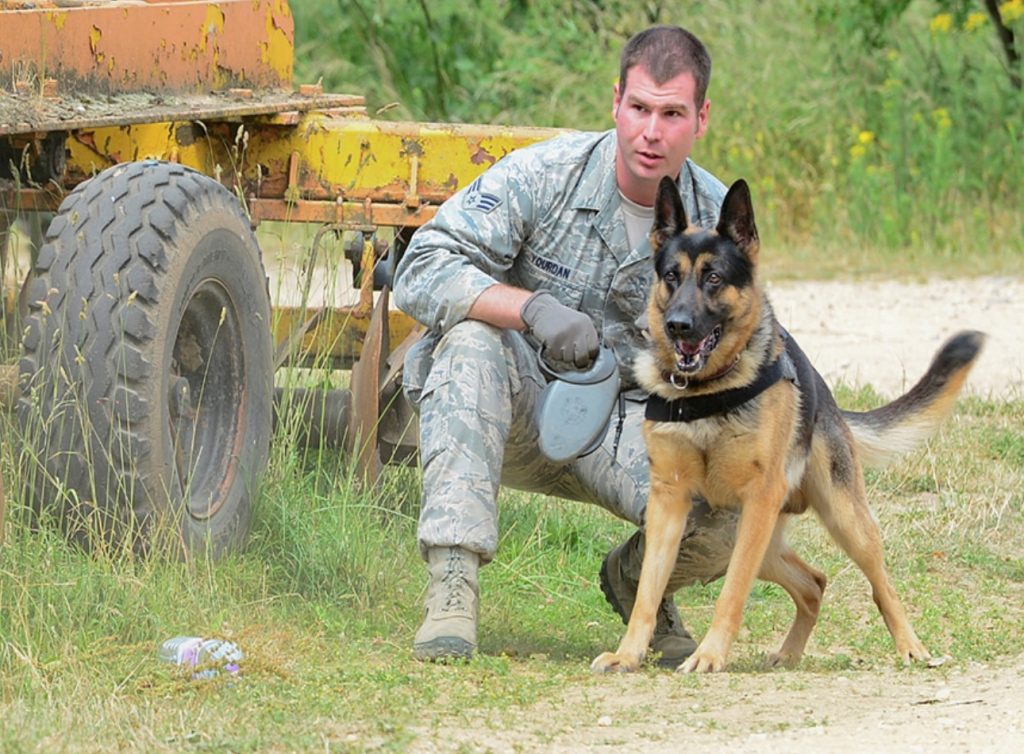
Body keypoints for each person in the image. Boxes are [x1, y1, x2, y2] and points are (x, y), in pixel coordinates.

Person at [392, 25, 739, 664]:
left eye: (671, 114)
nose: (651, 132)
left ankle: (640, 583)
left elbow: (752, 345)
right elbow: (423, 264)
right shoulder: (547, 174)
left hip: (635, 426)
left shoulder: (718, 219)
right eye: (639, 108)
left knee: (735, 496)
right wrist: (530, 309)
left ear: (701, 118)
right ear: (615, 103)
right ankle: (452, 588)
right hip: (519, 401)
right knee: (470, 342)